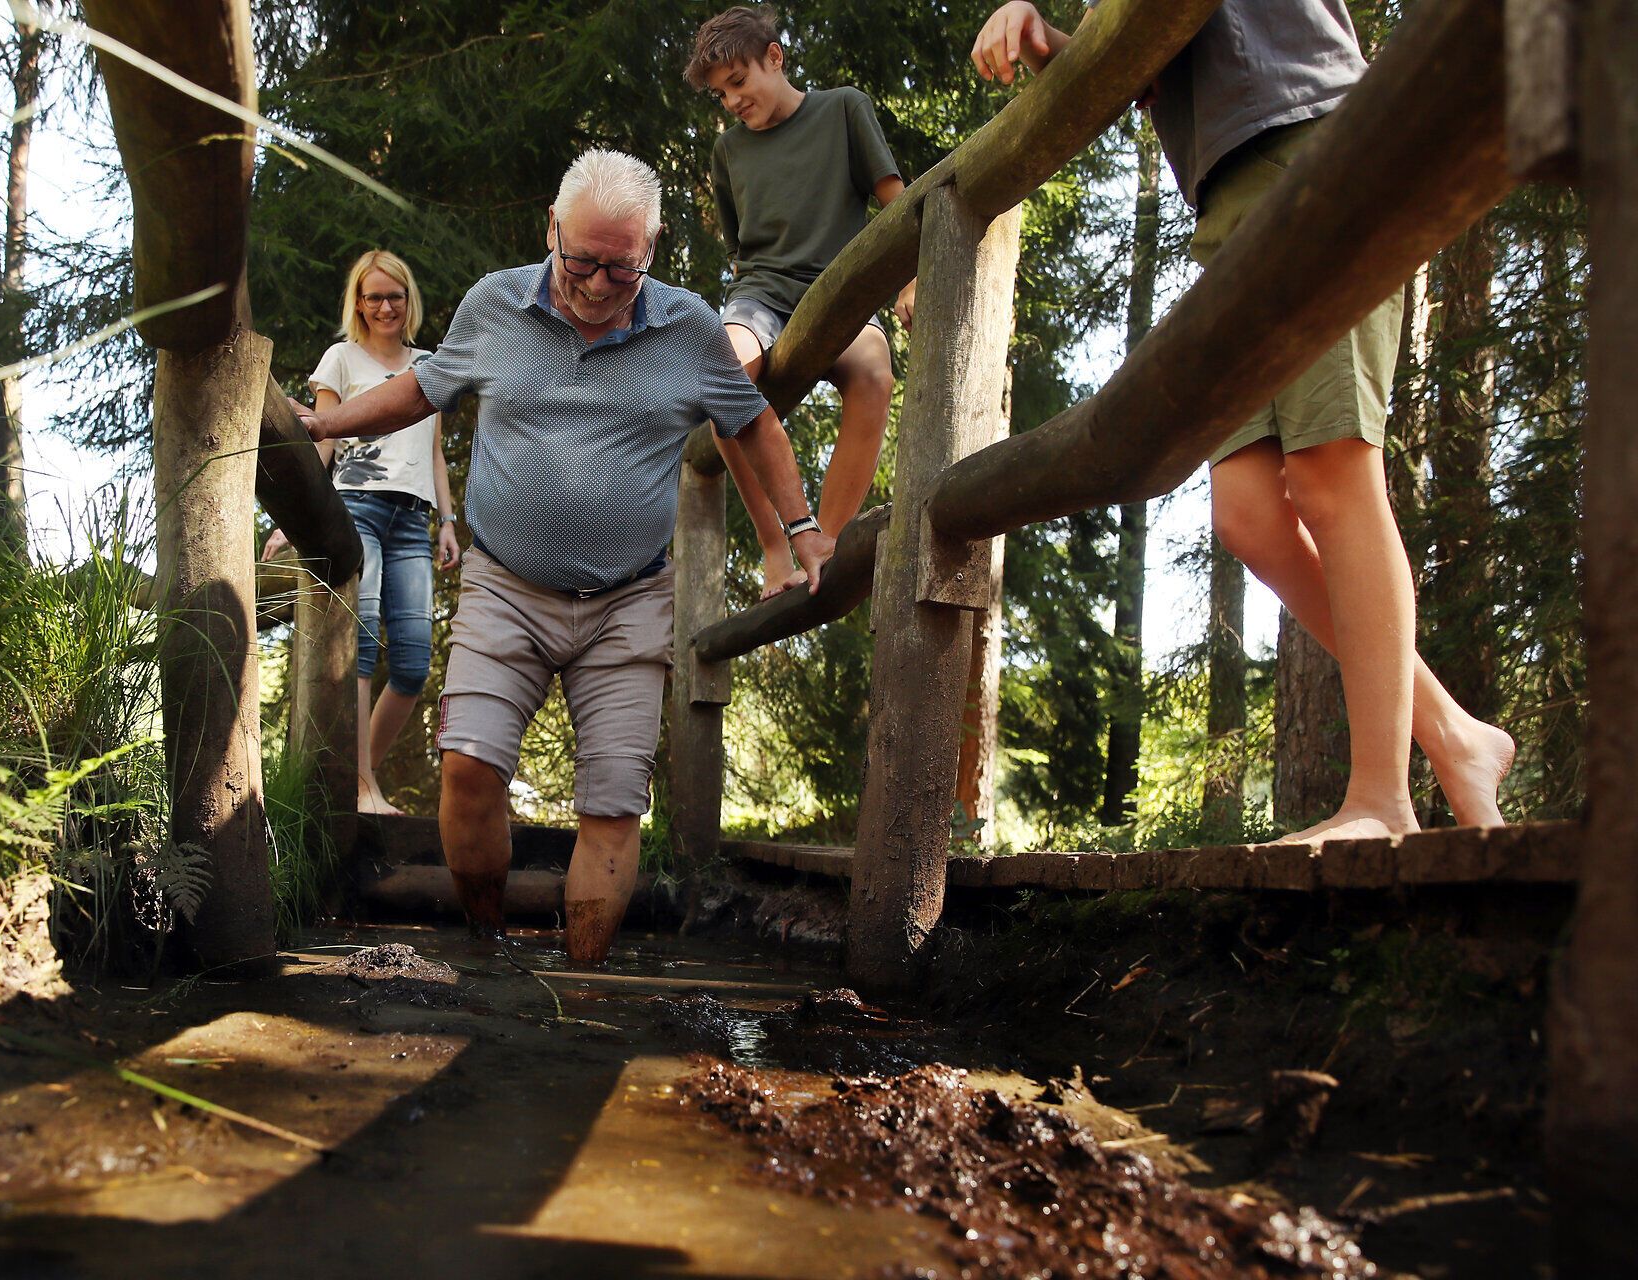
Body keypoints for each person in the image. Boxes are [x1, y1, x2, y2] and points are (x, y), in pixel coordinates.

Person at [971, 2, 1515, 843]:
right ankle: (1455, 735)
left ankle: (1383, 800)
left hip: (1316, 140)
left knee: (1334, 468)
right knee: (1252, 516)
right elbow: (1144, 64)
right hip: (1222, 202)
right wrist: (1048, 40)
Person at [303, 149, 835, 966]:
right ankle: (488, 953)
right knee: (469, 771)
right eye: (580, 260)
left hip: (630, 601)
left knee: (614, 806)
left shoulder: (688, 327)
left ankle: (584, 984)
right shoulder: (495, 306)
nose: (594, 283)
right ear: (551, 229)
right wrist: (328, 427)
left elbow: (753, 424)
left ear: (649, 254)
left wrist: (800, 528)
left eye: (619, 270)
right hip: (504, 586)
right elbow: (425, 386)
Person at [686, 4, 916, 599]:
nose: (732, 101)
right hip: (761, 296)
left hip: (839, 293)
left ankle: (828, 543)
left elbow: (899, 202)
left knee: (874, 371)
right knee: (724, 375)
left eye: (738, 82)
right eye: (720, 94)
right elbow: (742, 254)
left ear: (774, 57)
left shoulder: (843, 108)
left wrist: (912, 279)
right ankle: (775, 543)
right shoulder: (729, 151)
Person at [270, 248, 459, 815]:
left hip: (412, 520)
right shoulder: (341, 359)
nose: (385, 306)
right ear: (358, 301)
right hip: (356, 509)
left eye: (394, 296)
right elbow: (322, 442)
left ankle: (365, 777)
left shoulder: (429, 364)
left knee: (412, 664)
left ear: (408, 300)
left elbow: (433, 451)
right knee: (362, 644)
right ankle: (359, 789)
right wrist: (288, 518)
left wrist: (448, 522)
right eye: (373, 296)